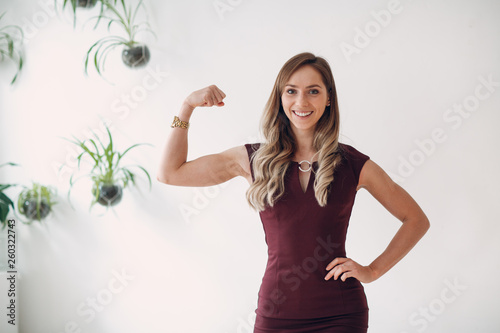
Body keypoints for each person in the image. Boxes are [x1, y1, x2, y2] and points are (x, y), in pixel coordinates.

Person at [157, 52, 430, 333]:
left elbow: (416, 220)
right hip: (276, 315)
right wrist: (187, 107)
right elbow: (170, 173)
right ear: (280, 98)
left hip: (341, 315)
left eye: (313, 91)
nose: (301, 102)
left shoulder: (352, 163)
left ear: (328, 98)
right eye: (291, 91)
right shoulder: (253, 159)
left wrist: (371, 271)